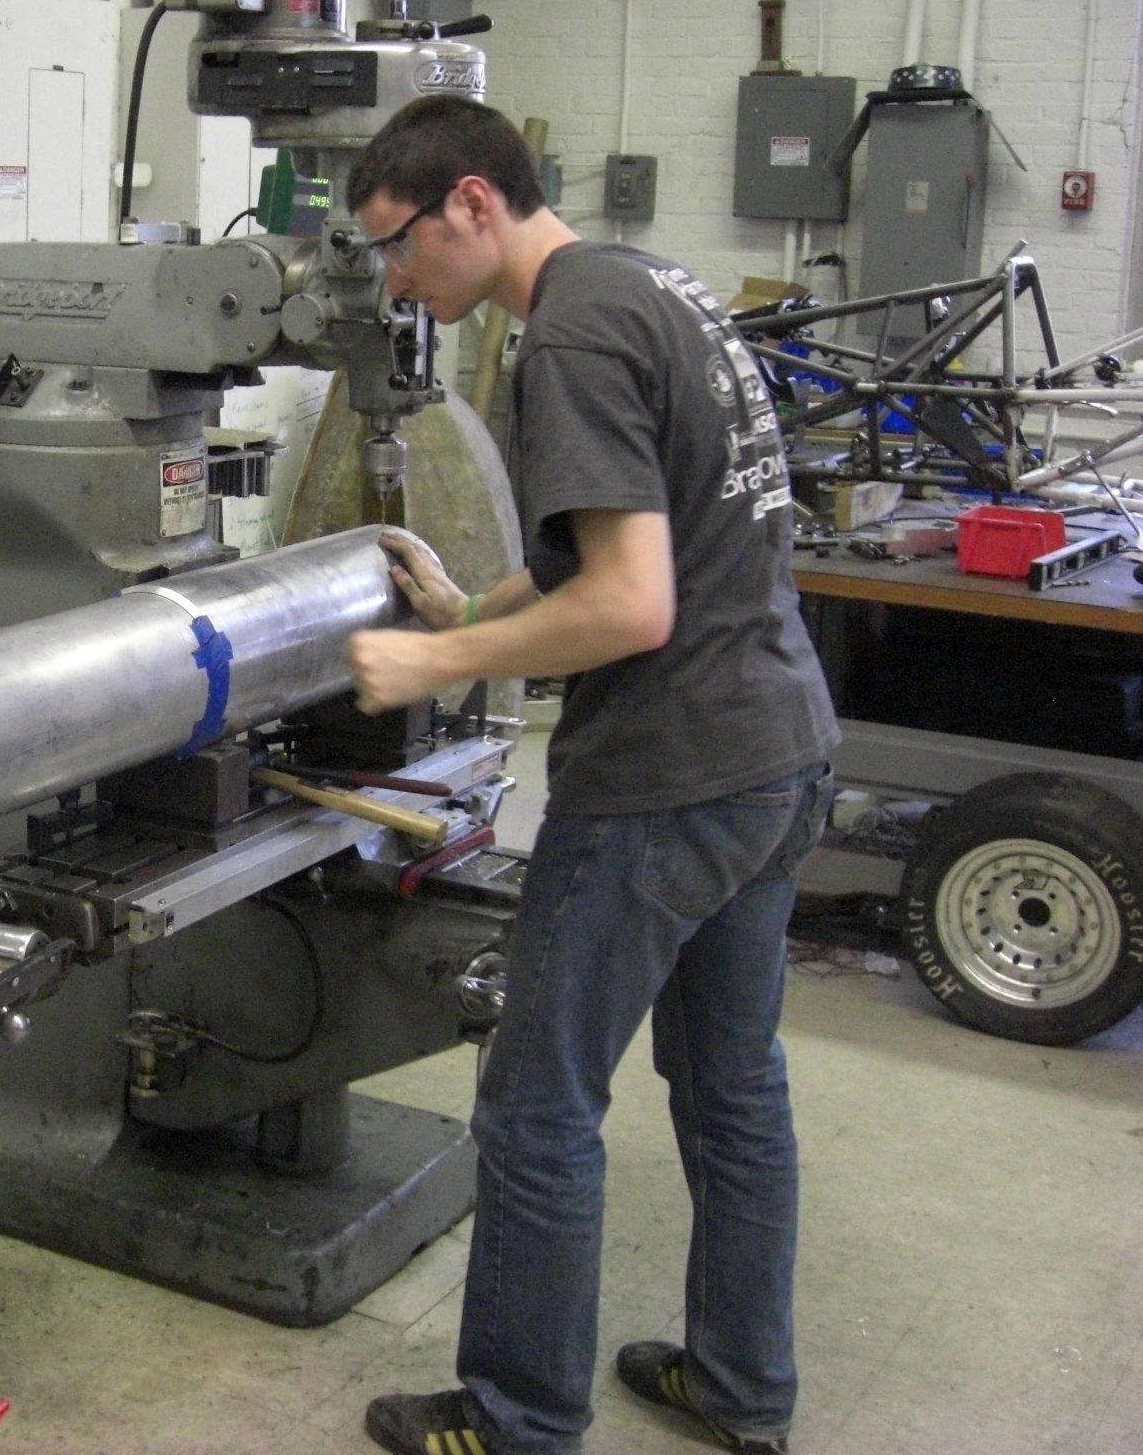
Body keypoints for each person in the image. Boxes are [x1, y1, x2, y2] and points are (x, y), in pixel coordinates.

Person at [342, 97, 840, 1455]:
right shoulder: (648, 283)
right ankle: (742, 1391)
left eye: (394, 246)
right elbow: (597, 546)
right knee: (733, 1085)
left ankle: (515, 1421)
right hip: (779, 745)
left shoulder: (560, 338)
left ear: (468, 206)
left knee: (537, 1102)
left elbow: (628, 607)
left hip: (669, 777)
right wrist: (468, 611)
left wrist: (438, 671)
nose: (394, 282)